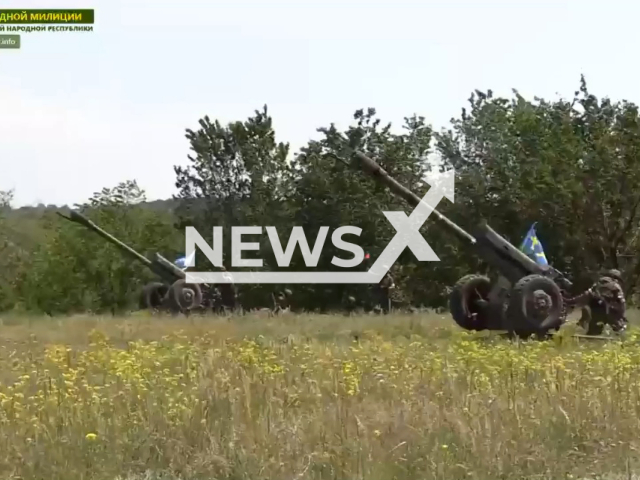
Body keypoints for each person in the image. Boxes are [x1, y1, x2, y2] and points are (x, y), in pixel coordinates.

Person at [576, 269, 627, 335]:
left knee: (594, 330)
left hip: (593, 307)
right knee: (619, 329)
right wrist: (622, 315)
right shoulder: (615, 286)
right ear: (615, 278)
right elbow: (621, 301)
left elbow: (586, 295)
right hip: (608, 309)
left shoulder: (597, 283)